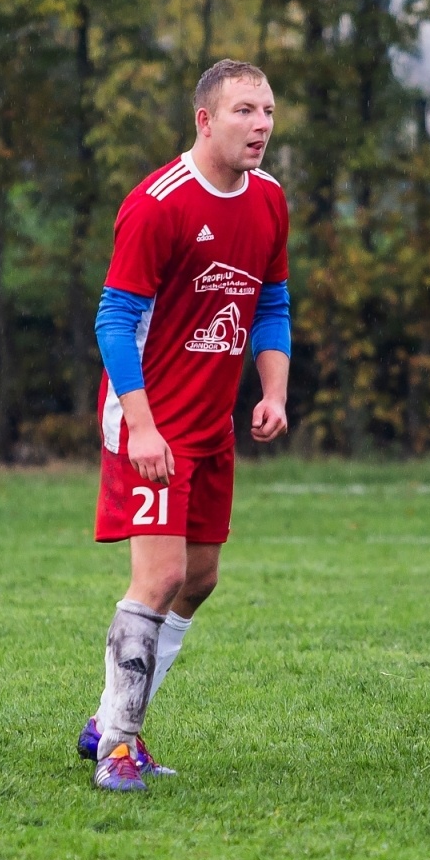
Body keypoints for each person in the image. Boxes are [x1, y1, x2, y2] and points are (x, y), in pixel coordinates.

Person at [76, 59, 292, 792]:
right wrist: (140, 426)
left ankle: (108, 715)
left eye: (267, 110)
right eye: (243, 111)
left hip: (209, 425)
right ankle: (118, 749)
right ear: (205, 120)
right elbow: (113, 319)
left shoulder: (267, 201)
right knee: (160, 575)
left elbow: (273, 303)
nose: (260, 124)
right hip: (150, 419)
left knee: (199, 580)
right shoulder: (157, 204)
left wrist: (272, 390)